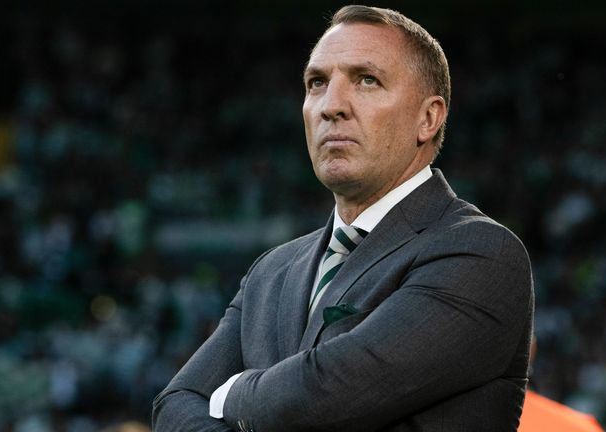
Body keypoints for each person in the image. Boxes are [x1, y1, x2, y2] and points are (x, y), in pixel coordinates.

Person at [153, 5, 533, 432]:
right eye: (317, 83)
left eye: (366, 80)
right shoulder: (272, 271)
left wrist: (233, 393)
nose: (331, 106)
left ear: (428, 118)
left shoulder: (481, 254)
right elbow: (176, 404)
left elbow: (322, 397)